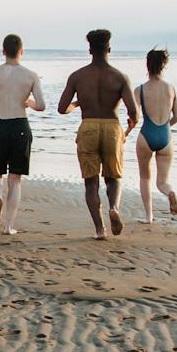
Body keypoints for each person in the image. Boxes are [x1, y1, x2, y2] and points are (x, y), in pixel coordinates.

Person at [57, 28, 138, 239]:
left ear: (90, 50)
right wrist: (130, 125)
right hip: (112, 126)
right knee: (113, 178)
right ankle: (114, 208)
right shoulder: (120, 77)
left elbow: (61, 108)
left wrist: (76, 103)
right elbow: (134, 112)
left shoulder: (77, 76)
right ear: (109, 48)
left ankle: (100, 230)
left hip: (89, 126)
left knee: (91, 182)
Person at [0, 34, 45, 234]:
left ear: (3, 51)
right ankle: (8, 226)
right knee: (15, 178)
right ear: (21, 51)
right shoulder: (30, 75)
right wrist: (29, 103)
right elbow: (41, 105)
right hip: (20, 126)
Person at [135, 48, 177, 220]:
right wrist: (164, 128)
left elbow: (134, 118)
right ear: (164, 66)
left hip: (146, 135)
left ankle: (149, 217)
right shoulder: (171, 89)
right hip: (165, 137)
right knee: (162, 182)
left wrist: (124, 133)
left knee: (144, 177)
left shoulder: (139, 90)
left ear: (147, 65)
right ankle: (170, 193)